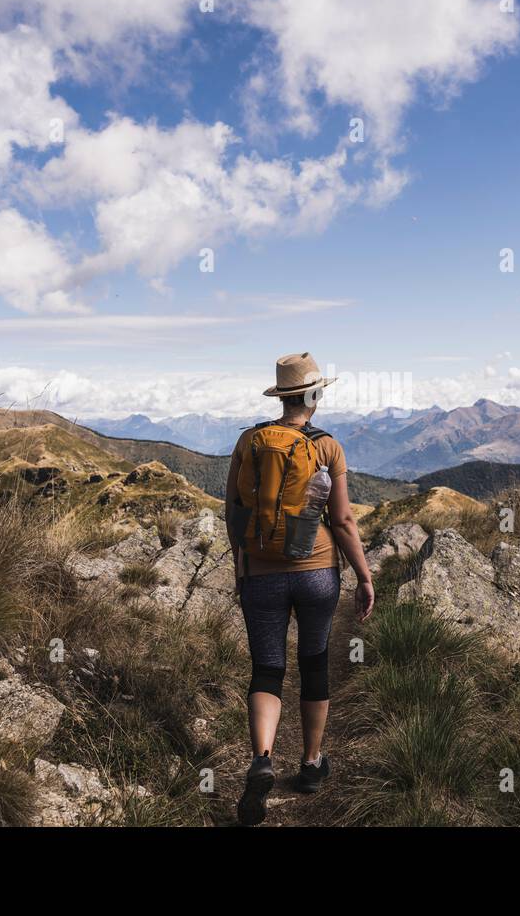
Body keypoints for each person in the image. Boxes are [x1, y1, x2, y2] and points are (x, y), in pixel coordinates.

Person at [224, 352, 376, 826]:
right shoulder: (328, 446)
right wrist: (365, 576)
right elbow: (344, 519)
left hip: (261, 574)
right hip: (317, 573)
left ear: (282, 395)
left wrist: (242, 565)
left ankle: (263, 758)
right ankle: (311, 765)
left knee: (267, 669)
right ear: (313, 395)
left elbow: (233, 512)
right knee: (313, 662)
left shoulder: (249, 441)